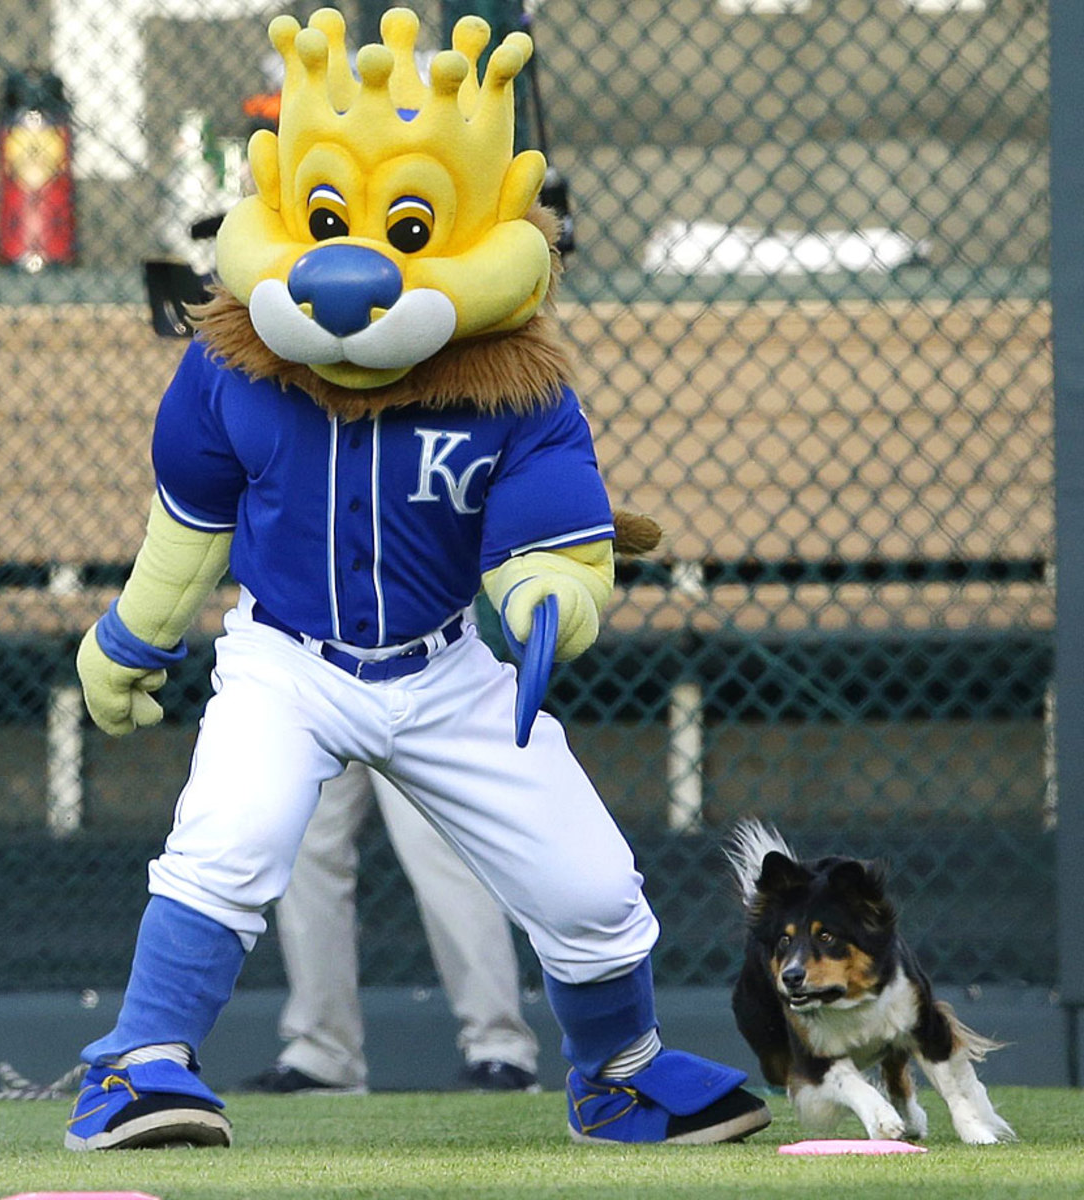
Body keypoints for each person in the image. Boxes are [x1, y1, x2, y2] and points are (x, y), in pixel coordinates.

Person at [62, 8, 769, 1151]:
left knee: (588, 887)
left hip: (451, 662)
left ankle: (618, 1076)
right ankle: (135, 1061)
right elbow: (187, 519)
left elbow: (548, 533)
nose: (351, 266)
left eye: (400, 226)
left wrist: (551, 594)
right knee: (226, 839)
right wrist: (130, 639)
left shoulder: (512, 384)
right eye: (331, 217)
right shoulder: (232, 367)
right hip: (286, 657)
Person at [242, 761, 539, 1094]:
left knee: (438, 842)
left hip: (414, 708)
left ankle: (500, 1047)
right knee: (302, 839)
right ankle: (325, 1053)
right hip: (320, 708)